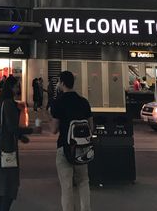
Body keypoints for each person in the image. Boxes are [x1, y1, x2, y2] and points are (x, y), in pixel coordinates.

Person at [50, 70, 93, 211]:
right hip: (82, 149)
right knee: (83, 182)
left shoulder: (58, 103)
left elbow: (54, 129)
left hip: (64, 147)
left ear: (62, 83)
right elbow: (91, 127)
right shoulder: (83, 102)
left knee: (67, 186)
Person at [0, 75, 29, 210]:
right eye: (16, 86)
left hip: (3, 146)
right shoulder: (7, 103)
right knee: (9, 185)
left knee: (6, 185)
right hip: (7, 149)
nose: (18, 88)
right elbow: (12, 127)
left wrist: (21, 137)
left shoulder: (1, 102)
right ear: (11, 87)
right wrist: (29, 131)